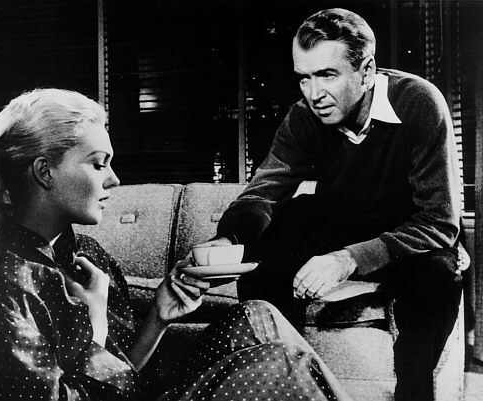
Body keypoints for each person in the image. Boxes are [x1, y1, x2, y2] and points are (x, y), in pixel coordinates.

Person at [0, 88, 352, 401]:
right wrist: (96, 328)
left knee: (257, 316)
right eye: (98, 164)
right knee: (276, 363)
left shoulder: (87, 256)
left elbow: (124, 375)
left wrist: (158, 315)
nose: (114, 180)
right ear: (45, 172)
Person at [193, 8, 463, 401]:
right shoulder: (304, 115)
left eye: (327, 75)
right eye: (304, 77)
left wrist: (347, 259)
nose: (313, 93)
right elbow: (264, 191)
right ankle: (280, 380)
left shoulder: (418, 102)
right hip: (344, 222)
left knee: (439, 273)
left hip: (408, 238)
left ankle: (413, 392)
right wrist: (229, 238)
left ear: (366, 71)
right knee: (280, 227)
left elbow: (440, 221)